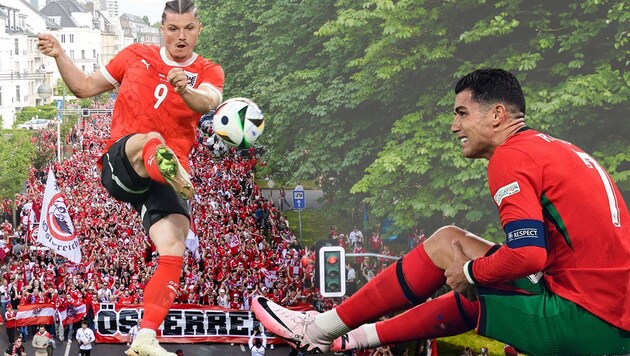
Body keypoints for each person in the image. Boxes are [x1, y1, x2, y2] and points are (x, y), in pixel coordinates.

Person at [252, 69, 630, 355]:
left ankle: (319, 330)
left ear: (497, 114)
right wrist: (474, 271)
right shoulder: (560, 149)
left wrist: (469, 271)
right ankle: (345, 338)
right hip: (612, 313)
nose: (454, 126)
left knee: (450, 247)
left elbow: (530, 255)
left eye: (462, 113)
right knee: (463, 258)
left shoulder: (511, 156)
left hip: (588, 318)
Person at [37, 0, 223, 355]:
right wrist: (60, 54)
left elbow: (206, 103)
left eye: (188, 28)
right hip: (121, 164)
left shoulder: (209, 70)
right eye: (173, 29)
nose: (181, 37)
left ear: (199, 29)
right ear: (161, 29)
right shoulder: (134, 54)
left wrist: (185, 89)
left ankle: (146, 336)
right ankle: (165, 163)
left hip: (163, 179)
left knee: (173, 246)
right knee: (150, 139)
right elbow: (84, 88)